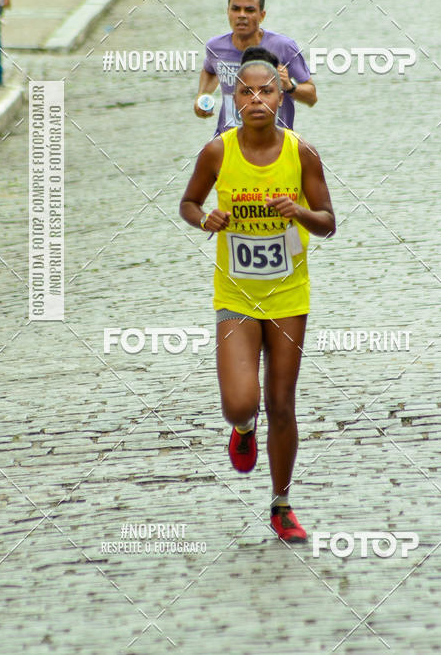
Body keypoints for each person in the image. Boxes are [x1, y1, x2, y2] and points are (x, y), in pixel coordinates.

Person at [180, 56, 336, 542]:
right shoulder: (217, 152)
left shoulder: (302, 153)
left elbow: (329, 221)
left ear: (281, 96)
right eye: (246, 93)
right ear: (234, 99)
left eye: (266, 92)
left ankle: (281, 504)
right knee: (239, 403)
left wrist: (300, 213)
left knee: (282, 403)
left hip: (289, 294)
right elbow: (188, 203)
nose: (256, 101)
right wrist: (205, 219)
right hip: (236, 293)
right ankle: (243, 428)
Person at [194, 0, 316, 133]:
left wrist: (289, 87)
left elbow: (311, 96)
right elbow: (210, 70)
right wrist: (202, 96)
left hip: (274, 144)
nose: (242, 15)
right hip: (228, 141)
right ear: (228, 12)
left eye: (250, 10)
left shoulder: (284, 47)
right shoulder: (215, 47)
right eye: (236, 9)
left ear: (262, 15)